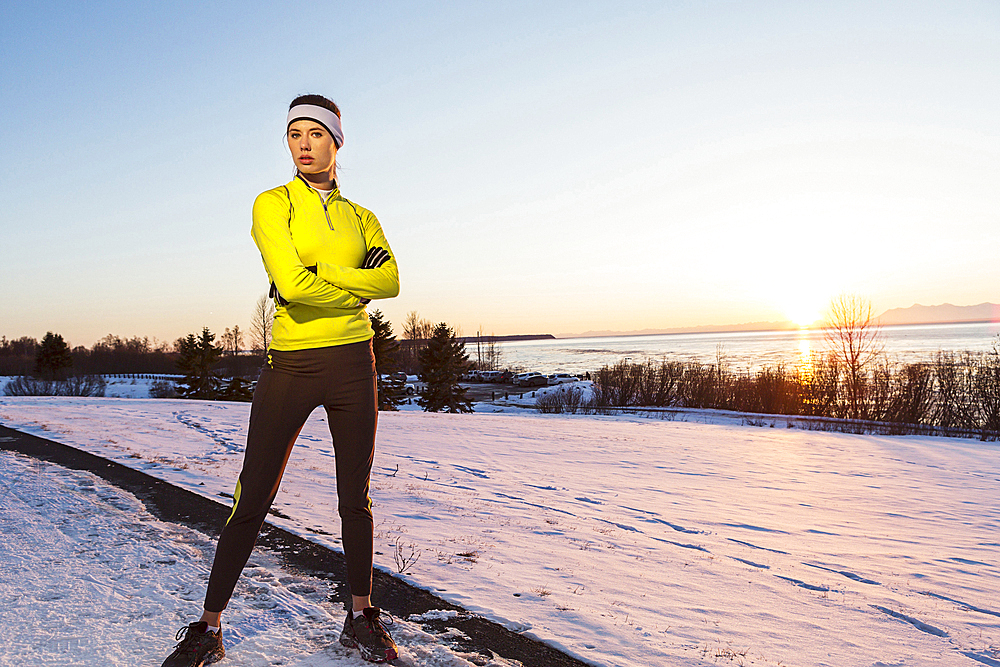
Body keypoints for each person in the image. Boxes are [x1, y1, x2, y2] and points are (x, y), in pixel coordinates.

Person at [162, 94, 400, 666]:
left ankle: (360, 614)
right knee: (253, 495)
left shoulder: (362, 216)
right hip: (291, 366)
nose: (302, 144)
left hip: (353, 364)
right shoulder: (272, 204)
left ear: (336, 141)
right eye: (293, 134)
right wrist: (352, 286)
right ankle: (209, 628)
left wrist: (327, 273)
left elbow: (390, 281)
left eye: (314, 134)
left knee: (355, 497)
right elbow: (291, 287)